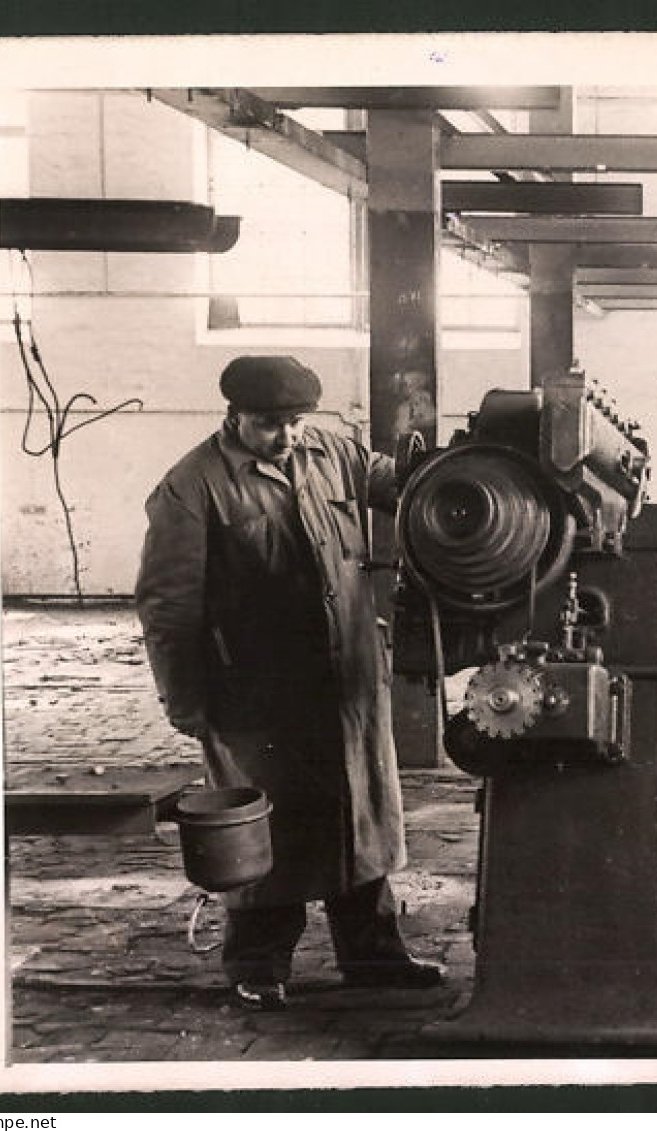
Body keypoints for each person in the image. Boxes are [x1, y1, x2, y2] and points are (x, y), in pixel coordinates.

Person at [136, 355, 443, 1011]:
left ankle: (374, 956)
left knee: (357, 818)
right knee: (264, 832)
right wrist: (186, 700)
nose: (285, 436)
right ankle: (258, 962)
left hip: (345, 679)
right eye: (269, 424)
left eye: (294, 422)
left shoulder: (331, 450)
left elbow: (397, 481)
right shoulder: (192, 488)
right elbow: (169, 607)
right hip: (258, 693)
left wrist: (448, 469)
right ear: (234, 416)